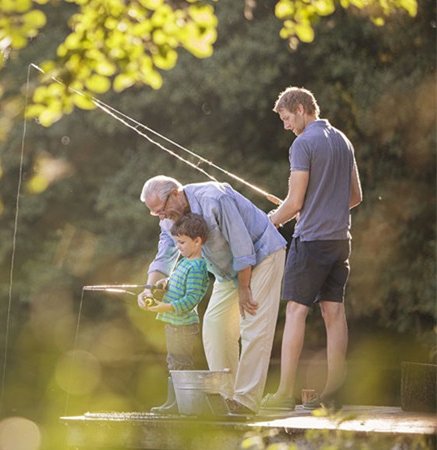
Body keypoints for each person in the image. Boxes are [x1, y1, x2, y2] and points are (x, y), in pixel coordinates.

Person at [138, 176, 286, 415]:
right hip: (227, 270)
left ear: (176, 193)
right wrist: (148, 288)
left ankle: (246, 401)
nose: (162, 217)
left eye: (162, 210)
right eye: (156, 214)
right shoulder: (169, 219)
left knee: (253, 324)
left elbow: (242, 246)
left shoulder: (214, 198)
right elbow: (165, 252)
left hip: (261, 255)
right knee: (215, 325)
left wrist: (244, 288)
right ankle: (226, 397)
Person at [262, 87, 363, 410]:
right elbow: (355, 197)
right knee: (334, 312)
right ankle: (335, 394)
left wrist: (271, 221)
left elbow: (292, 203)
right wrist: (320, 206)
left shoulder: (303, 144)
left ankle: (283, 394)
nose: (286, 126)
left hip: (311, 242)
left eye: (287, 118)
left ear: (303, 109)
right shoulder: (343, 141)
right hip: (340, 241)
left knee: (295, 311)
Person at [144, 213, 210, 414]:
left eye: (182, 242)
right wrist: (165, 283)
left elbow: (191, 299)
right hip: (173, 324)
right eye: (177, 242)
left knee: (182, 364)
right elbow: (176, 283)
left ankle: (182, 405)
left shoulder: (198, 267)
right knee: (173, 362)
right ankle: (173, 403)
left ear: (197, 241)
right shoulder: (183, 261)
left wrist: (166, 307)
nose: (178, 247)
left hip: (183, 326)